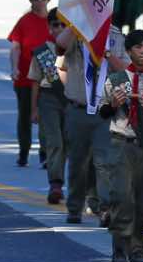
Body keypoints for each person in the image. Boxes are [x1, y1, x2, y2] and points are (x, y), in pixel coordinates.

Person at [98, 27, 143, 262]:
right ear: (128, 50)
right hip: (122, 143)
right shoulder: (116, 79)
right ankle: (119, 247)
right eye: (138, 46)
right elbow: (102, 111)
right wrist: (113, 104)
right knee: (122, 198)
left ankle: (138, 250)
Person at [55, 13, 129, 225]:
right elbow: (60, 46)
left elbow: (125, 69)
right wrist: (76, 25)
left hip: (105, 110)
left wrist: (106, 53)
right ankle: (74, 208)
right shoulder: (75, 31)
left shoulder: (115, 35)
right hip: (78, 109)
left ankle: (105, 209)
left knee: (105, 163)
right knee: (77, 162)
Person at [5, 0, 58, 169]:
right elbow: (15, 47)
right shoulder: (24, 21)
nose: (40, 1)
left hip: (48, 78)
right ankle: (23, 151)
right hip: (26, 79)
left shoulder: (54, 21)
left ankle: (45, 154)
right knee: (25, 116)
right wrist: (15, 68)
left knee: (46, 117)